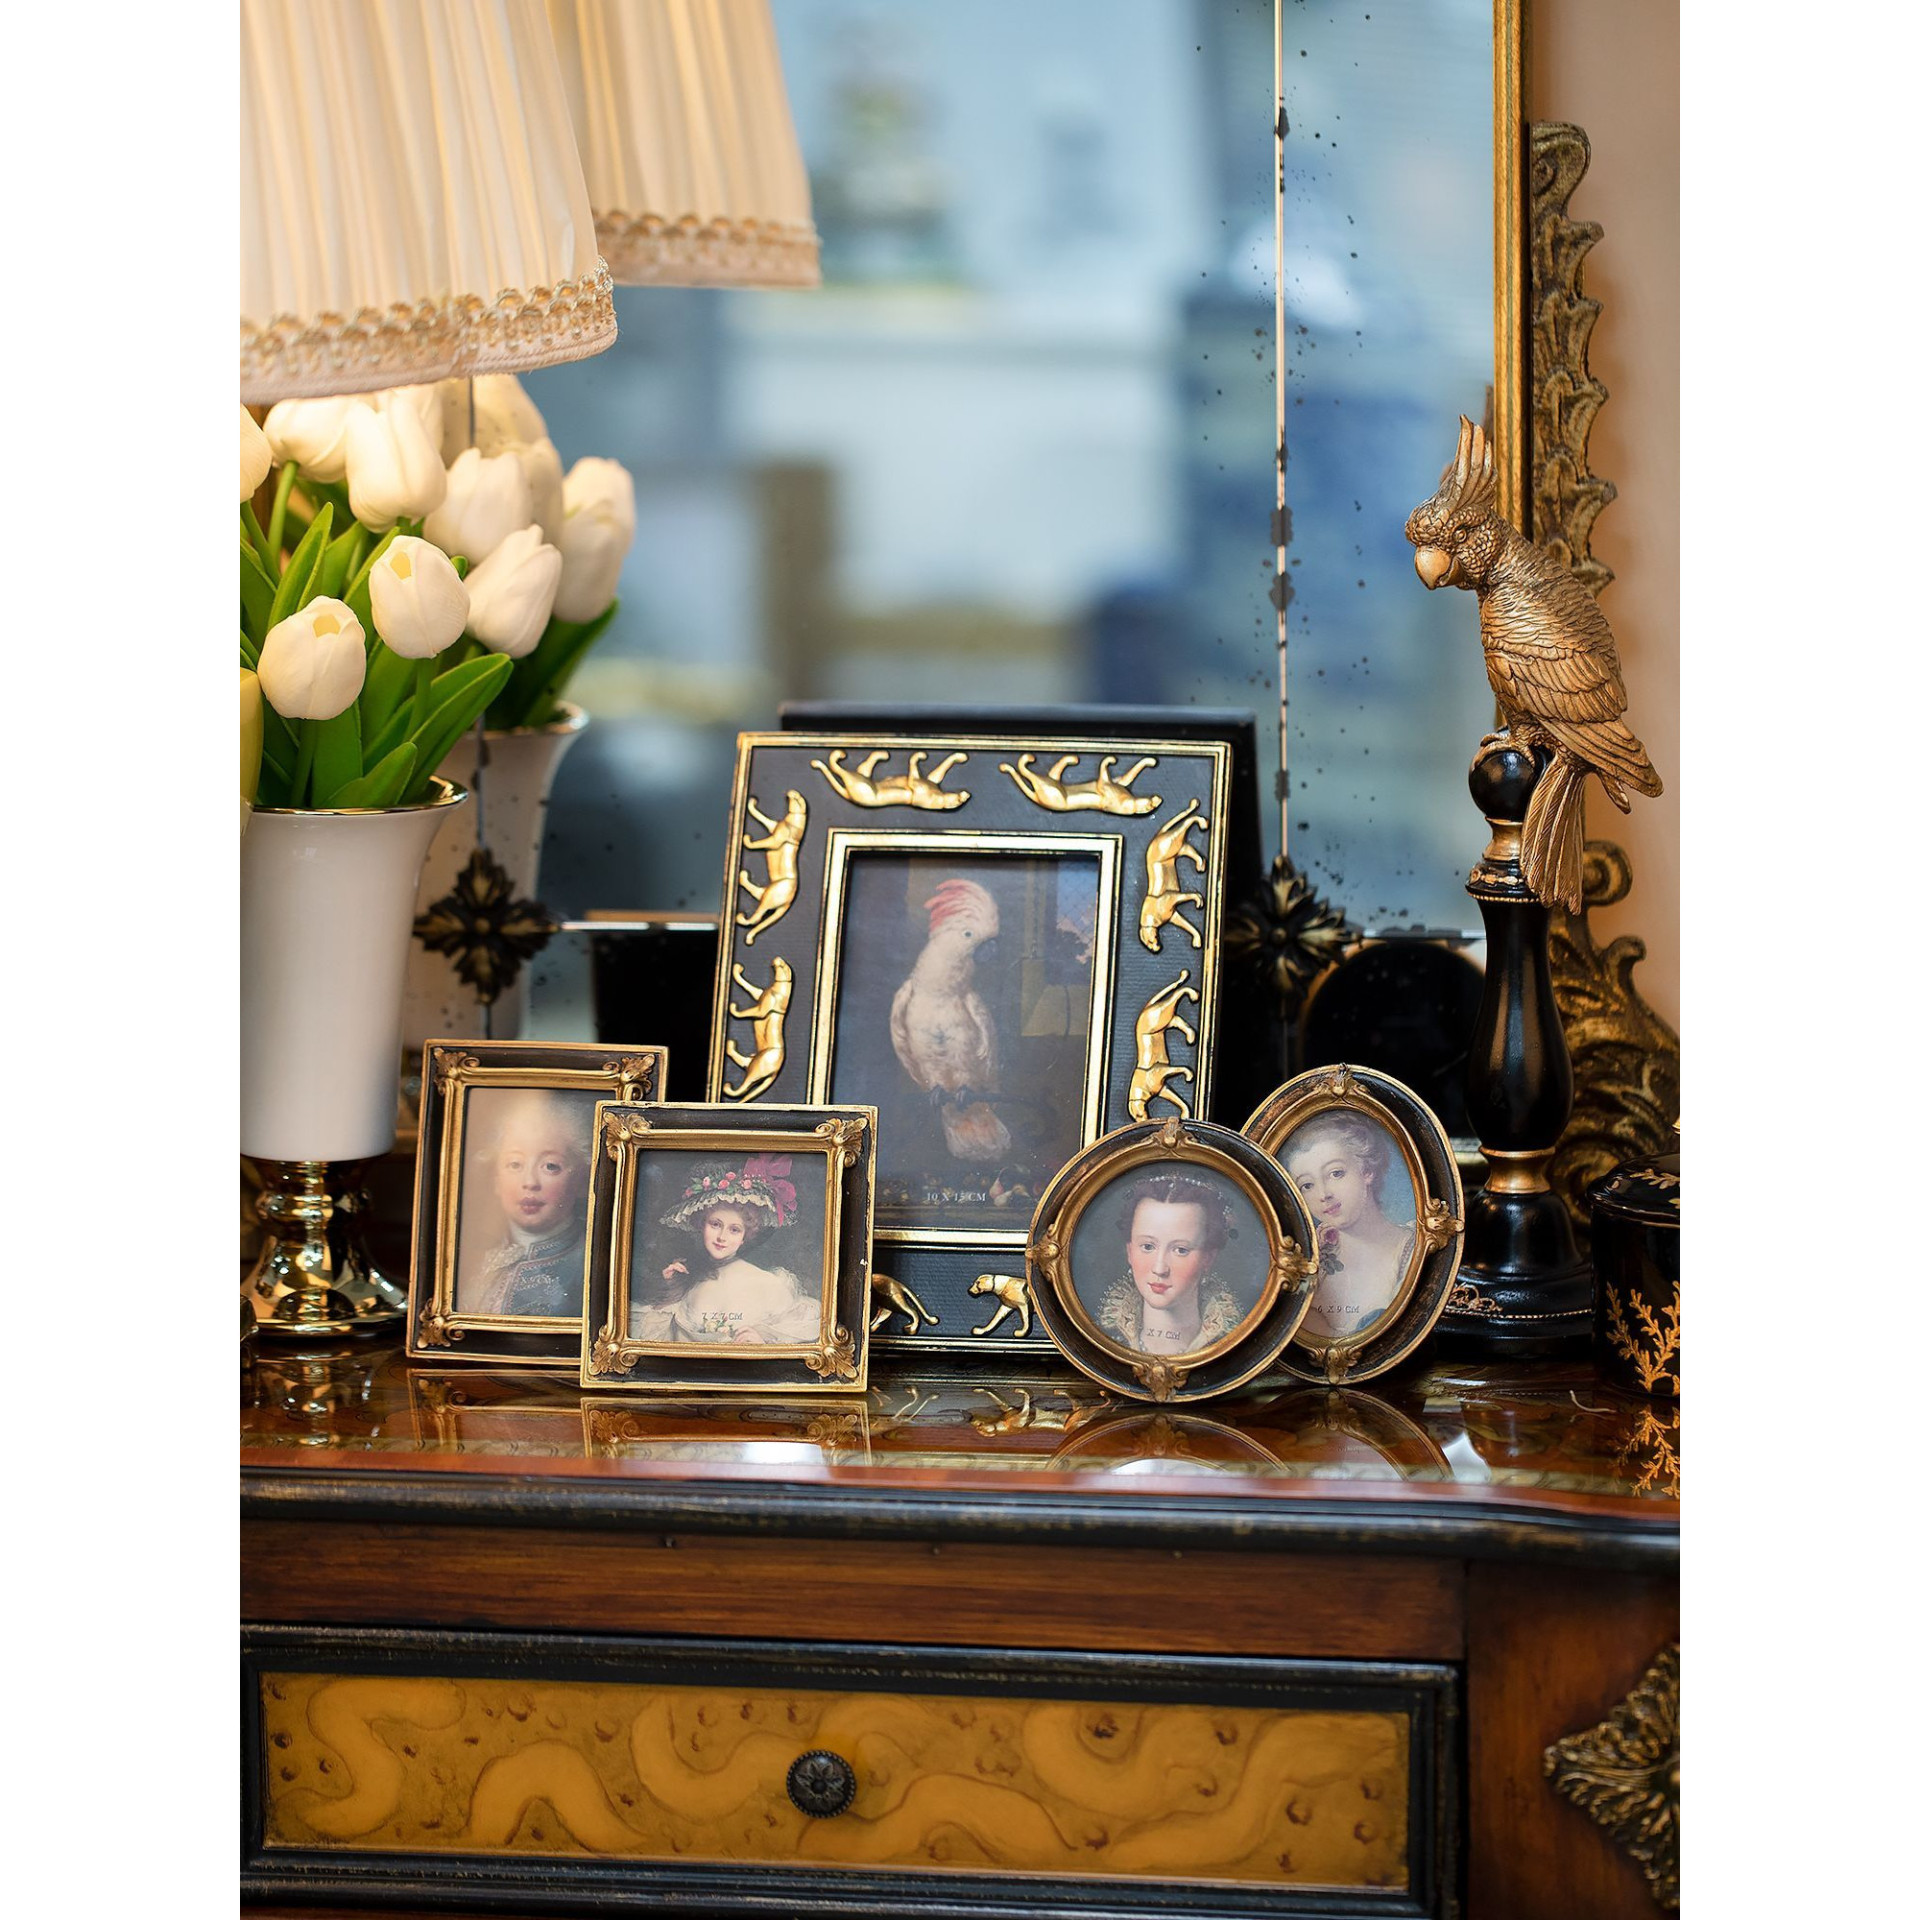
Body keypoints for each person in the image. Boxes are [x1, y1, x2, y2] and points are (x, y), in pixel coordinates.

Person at [630, 1154, 823, 1345]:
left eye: (734, 1230)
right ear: (701, 1224)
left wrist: (762, 1344)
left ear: (744, 1237)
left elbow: (792, 1345)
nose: (722, 1237)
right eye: (715, 1224)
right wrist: (672, 1288)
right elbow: (663, 1339)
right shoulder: (688, 1277)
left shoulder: (768, 1283)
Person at [1281, 1113, 1416, 1341]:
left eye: (1336, 1173)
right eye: (1307, 1185)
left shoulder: (1411, 1251)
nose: (1323, 1194)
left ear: (1367, 1171)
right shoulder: (1310, 1258)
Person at [458, 1092, 593, 1318]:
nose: (530, 1182)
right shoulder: (472, 1258)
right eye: (515, 1164)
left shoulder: (591, 1266)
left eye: (550, 1166)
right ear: (496, 1180)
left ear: (581, 1181)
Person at [1094, 1173, 1245, 1356]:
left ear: (1208, 1258)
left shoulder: (1236, 1347)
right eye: (1148, 1247)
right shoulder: (1102, 1338)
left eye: (1180, 1250)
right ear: (1130, 1251)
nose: (1160, 1269)